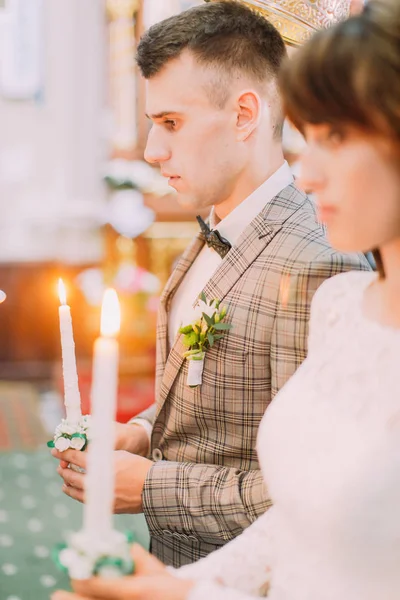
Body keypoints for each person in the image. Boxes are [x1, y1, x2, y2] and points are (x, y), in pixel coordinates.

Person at [52, 0, 369, 569]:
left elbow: (313, 496)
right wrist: (143, 435)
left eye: (171, 123)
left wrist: (151, 487)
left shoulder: (319, 266)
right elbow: (213, 407)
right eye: (152, 124)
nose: (153, 151)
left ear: (245, 113)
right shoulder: (208, 236)